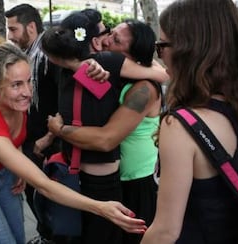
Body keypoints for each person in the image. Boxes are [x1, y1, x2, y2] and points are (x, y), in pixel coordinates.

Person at [0, 35, 146, 244]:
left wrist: (90, 65)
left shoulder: (14, 103)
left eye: (29, 81)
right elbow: (43, 185)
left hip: (4, 172)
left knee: (17, 236)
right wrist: (101, 207)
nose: (27, 92)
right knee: (0, 239)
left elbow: (67, 63)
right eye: (16, 85)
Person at [140, 0, 238, 243]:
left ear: (188, 50)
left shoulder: (181, 126)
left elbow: (165, 231)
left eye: (162, 46)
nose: (160, 57)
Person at [41, 11, 168, 244]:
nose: (106, 40)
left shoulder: (143, 89)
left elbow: (105, 139)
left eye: (116, 41)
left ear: (132, 58)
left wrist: (58, 130)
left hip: (136, 185)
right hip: (115, 179)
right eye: (110, 32)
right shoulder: (109, 74)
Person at [5, 5, 62, 243]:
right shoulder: (30, 54)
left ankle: (50, 237)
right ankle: (45, 235)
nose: (10, 35)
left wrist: (48, 139)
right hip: (33, 141)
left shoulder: (48, 55)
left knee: (45, 196)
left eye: (13, 29)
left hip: (44, 144)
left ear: (31, 26)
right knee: (35, 194)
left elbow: (63, 102)